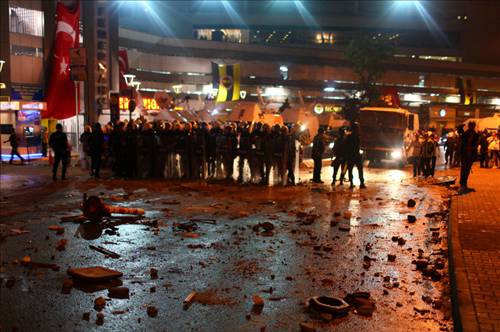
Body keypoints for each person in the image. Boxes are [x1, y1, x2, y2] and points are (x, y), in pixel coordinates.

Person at [457, 122, 479, 193]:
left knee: (467, 170)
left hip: (471, 155)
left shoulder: (475, 135)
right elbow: (461, 135)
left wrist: (472, 147)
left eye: (473, 126)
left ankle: (464, 184)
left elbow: (476, 144)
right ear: (469, 126)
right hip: (464, 155)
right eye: (471, 126)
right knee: (464, 170)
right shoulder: (465, 134)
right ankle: (462, 184)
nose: (472, 127)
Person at [344, 123, 366, 188]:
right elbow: (359, 146)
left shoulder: (349, 137)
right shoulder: (357, 136)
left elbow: (346, 146)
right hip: (356, 155)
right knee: (360, 169)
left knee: (350, 169)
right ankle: (361, 183)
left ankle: (351, 183)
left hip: (350, 155)